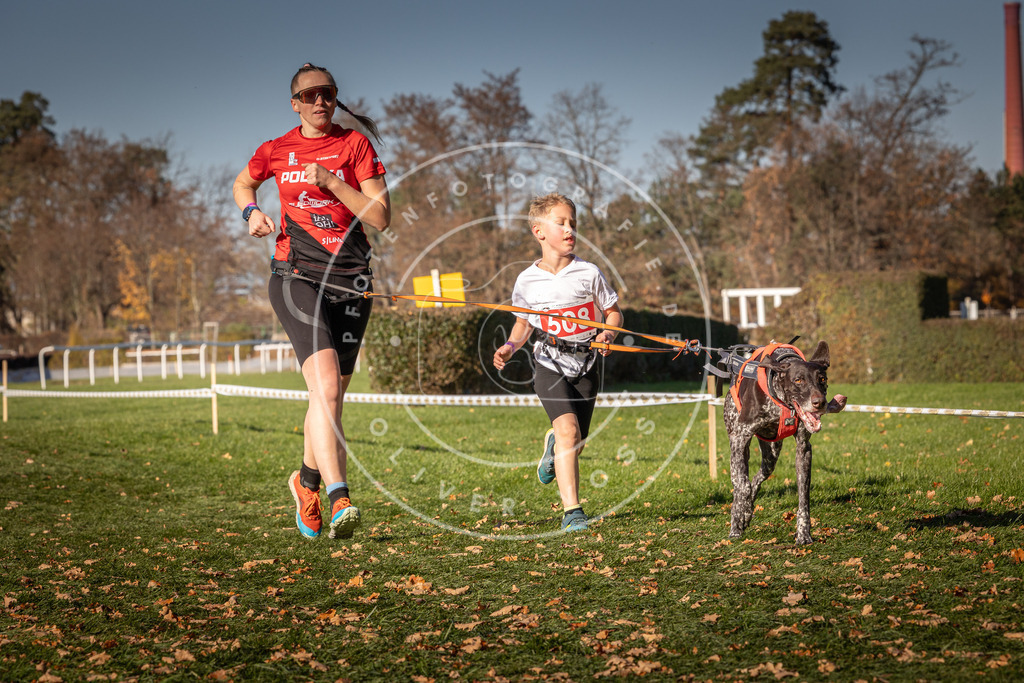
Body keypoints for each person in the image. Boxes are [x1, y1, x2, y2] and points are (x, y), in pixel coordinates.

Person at [232, 63, 390, 540]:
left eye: (328, 93)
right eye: (310, 94)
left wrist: (334, 183)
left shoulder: (354, 145)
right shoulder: (276, 150)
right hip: (294, 276)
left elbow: (381, 217)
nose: (320, 101)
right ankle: (341, 497)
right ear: (295, 103)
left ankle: (305, 484)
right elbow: (243, 183)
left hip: (350, 282)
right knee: (323, 386)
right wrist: (251, 211)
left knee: (332, 395)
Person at [492, 193, 622, 532]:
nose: (569, 230)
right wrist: (509, 346)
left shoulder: (588, 273)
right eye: (561, 223)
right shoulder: (526, 280)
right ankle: (572, 513)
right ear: (539, 231)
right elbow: (523, 323)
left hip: (587, 365)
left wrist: (608, 335)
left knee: (574, 442)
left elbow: (613, 312)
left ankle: (553, 447)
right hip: (548, 362)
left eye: (573, 224)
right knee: (568, 431)